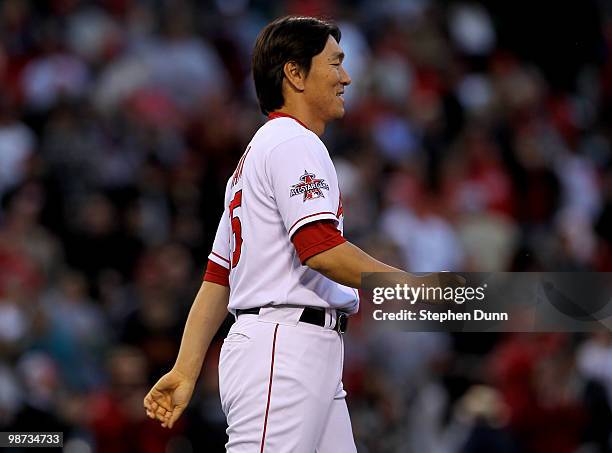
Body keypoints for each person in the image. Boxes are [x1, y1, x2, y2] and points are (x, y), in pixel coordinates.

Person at [144, 15, 460, 452]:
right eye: (334, 63)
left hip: (300, 348)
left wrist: (184, 368)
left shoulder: (258, 154)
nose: (346, 77)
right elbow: (321, 249)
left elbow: (219, 278)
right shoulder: (293, 143)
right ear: (294, 73)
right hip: (283, 346)